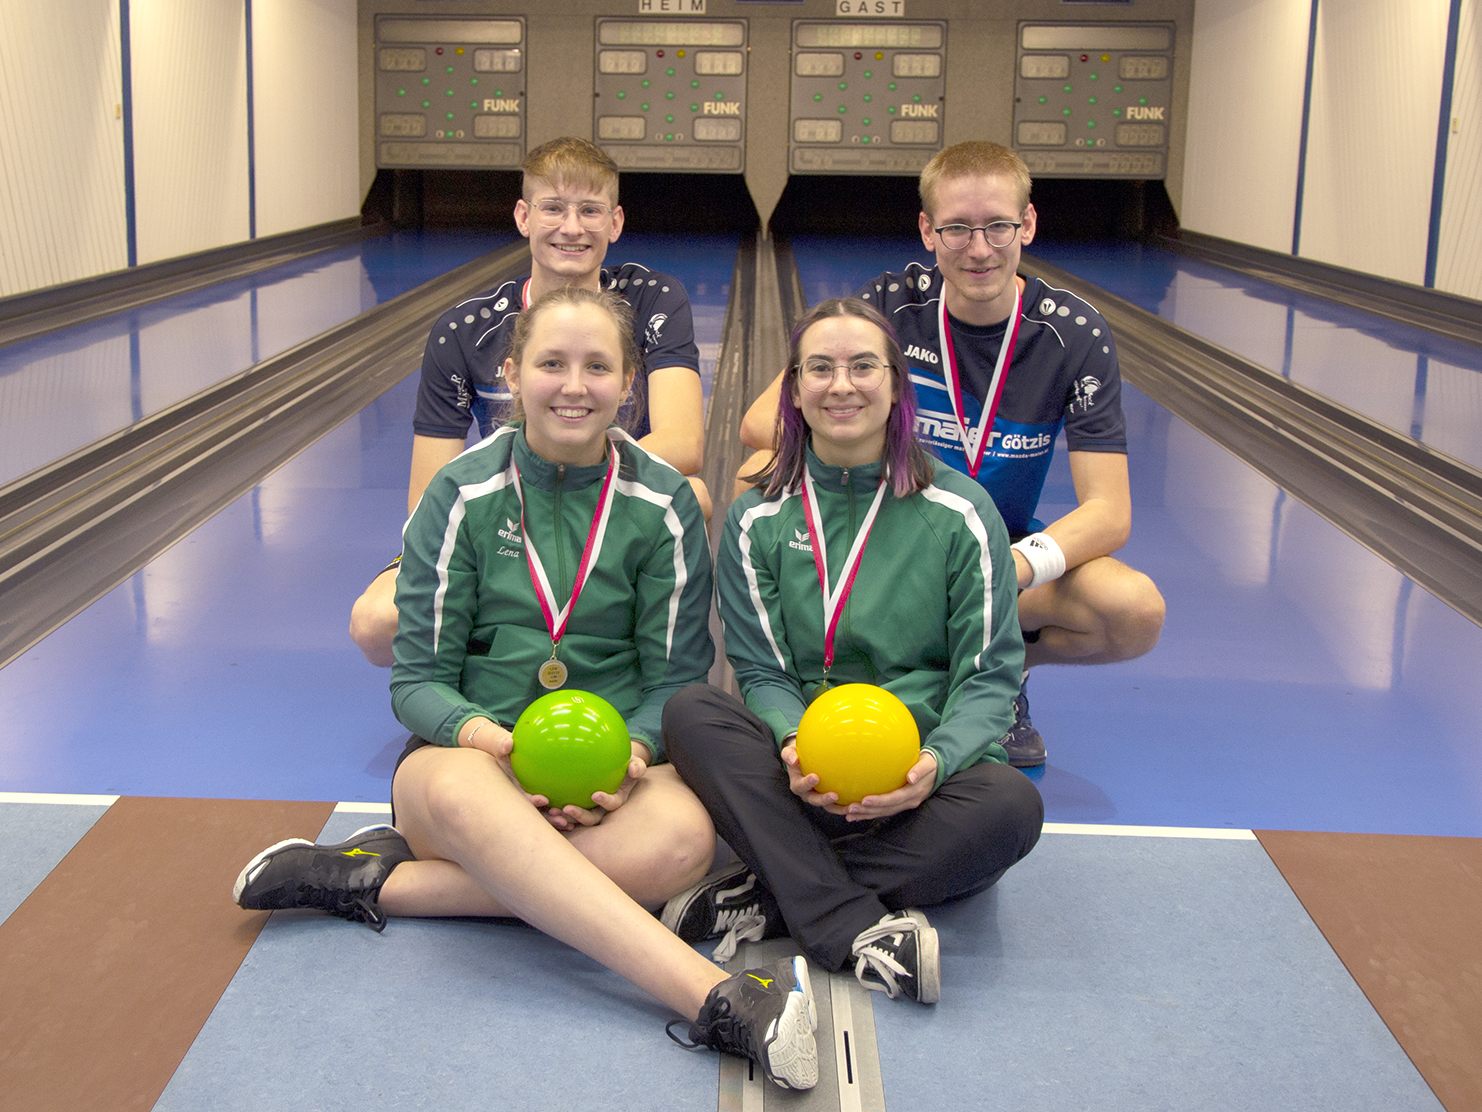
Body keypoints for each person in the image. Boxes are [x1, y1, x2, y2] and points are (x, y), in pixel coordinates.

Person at [235, 288, 818, 1090]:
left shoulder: (665, 504)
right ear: (511, 374)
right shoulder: (461, 494)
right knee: (481, 802)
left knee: (684, 842)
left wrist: (631, 758)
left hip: (616, 774)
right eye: (551, 363)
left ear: (629, 385)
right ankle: (713, 996)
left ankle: (376, 882)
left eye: (596, 366)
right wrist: (482, 736)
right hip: (469, 759)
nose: (573, 385)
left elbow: (675, 680)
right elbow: (419, 682)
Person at [660, 298, 1043, 1004]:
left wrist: (936, 762)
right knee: (692, 712)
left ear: (897, 385)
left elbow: (989, 676)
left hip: (922, 785)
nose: (842, 385)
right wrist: (794, 743)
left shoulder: (960, 512)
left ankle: (777, 889)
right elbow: (764, 672)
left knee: (1012, 807)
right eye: (821, 369)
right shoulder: (756, 517)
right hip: (800, 777)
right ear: (795, 392)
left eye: (864, 366)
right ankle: (850, 924)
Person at [738, 142, 1165, 766]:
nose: (980, 248)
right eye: (958, 228)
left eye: (998, 225)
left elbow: (1109, 512)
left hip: (1003, 557)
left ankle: (1001, 662)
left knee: (1134, 609)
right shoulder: (889, 308)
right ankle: (813, 663)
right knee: (756, 477)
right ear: (927, 231)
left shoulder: (1071, 334)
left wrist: (1004, 569)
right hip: (884, 547)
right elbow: (759, 423)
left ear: (1028, 224)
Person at [350, 136, 708, 667]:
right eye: (553, 208)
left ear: (615, 223)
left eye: (590, 210)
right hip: (502, 513)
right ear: (523, 216)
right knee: (375, 623)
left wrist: (570, 494)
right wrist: (519, 513)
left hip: (614, 503)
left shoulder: (653, 299)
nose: (571, 227)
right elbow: (428, 494)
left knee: (693, 496)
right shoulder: (463, 330)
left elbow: (683, 445)